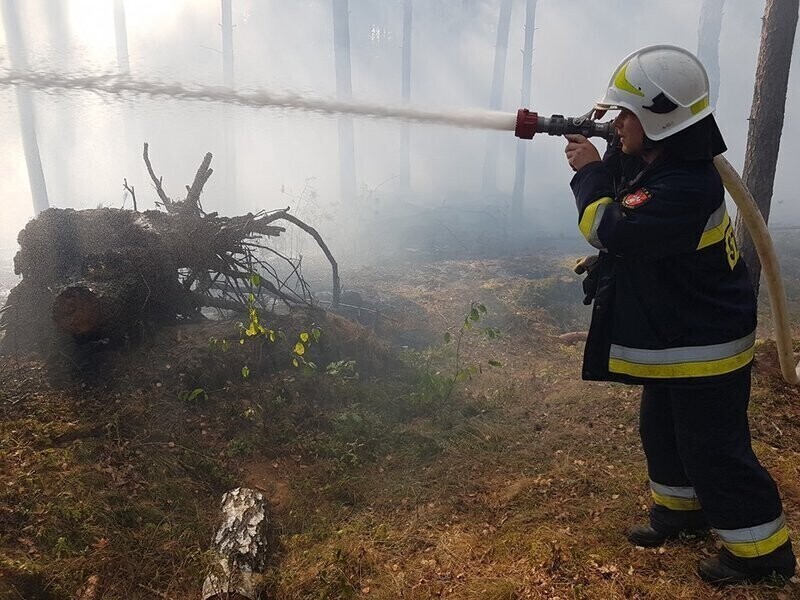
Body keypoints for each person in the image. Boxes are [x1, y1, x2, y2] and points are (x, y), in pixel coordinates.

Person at [563, 45, 796, 585]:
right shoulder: (663, 157)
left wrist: (589, 173)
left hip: (704, 343)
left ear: (657, 120)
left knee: (714, 448)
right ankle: (682, 513)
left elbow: (610, 226)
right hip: (677, 332)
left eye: (628, 115)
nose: (619, 124)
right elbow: (631, 175)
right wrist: (604, 140)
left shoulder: (688, 185)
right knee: (661, 430)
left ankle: (761, 555)